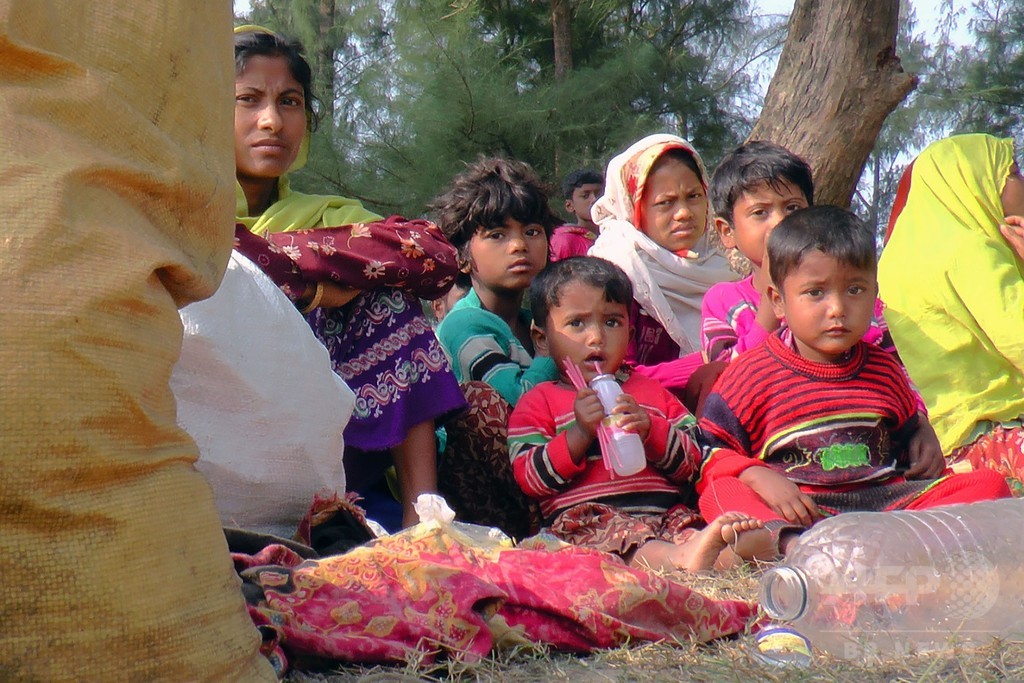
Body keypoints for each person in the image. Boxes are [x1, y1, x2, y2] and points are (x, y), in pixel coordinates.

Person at [232, 26, 466, 529]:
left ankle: (422, 518)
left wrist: (289, 268)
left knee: (387, 301)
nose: (271, 121)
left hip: (328, 428)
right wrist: (322, 281)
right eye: (247, 100)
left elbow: (431, 254)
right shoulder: (178, 205)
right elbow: (220, 251)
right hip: (226, 416)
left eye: (289, 101)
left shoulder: (322, 213)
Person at [698, 206, 1011, 555]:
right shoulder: (749, 376)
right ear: (778, 301)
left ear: (874, 293)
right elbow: (710, 452)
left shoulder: (883, 369)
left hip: (886, 507)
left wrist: (921, 439)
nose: (837, 308)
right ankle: (794, 548)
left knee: (989, 484)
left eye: (855, 290)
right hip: (803, 511)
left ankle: (894, 545)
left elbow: (907, 435)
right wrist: (757, 477)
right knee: (722, 492)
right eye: (815, 293)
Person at [508, 257, 774, 571]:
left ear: (630, 332)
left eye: (611, 322)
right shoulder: (540, 401)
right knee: (618, 537)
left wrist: (652, 431)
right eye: (577, 323)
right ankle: (680, 559)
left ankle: (729, 553)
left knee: (688, 531)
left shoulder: (649, 392)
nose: (596, 337)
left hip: (663, 516)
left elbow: (693, 461)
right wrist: (579, 435)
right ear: (542, 338)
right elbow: (529, 479)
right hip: (591, 520)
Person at [879, 133, 1024, 493]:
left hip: (950, 445)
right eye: (1013, 171)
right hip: (1002, 430)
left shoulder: (894, 262)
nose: (1020, 183)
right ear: (973, 178)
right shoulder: (970, 248)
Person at [431, 157, 562, 536]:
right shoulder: (465, 324)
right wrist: (550, 354)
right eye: (497, 235)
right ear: (462, 256)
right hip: (488, 494)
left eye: (533, 231)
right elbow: (521, 406)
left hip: (543, 467)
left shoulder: (528, 322)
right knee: (480, 401)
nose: (520, 245)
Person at [589, 134, 738, 398]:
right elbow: (616, 377)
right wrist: (708, 363)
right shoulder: (615, 276)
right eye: (665, 203)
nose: (683, 213)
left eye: (693, 196)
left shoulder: (720, 273)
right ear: (634, 208)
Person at [549, 168, 604, 262]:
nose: (594, 199)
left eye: (599, 195)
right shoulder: (564, 241)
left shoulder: (615, 235)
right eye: (585, 196)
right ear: (569, 206)